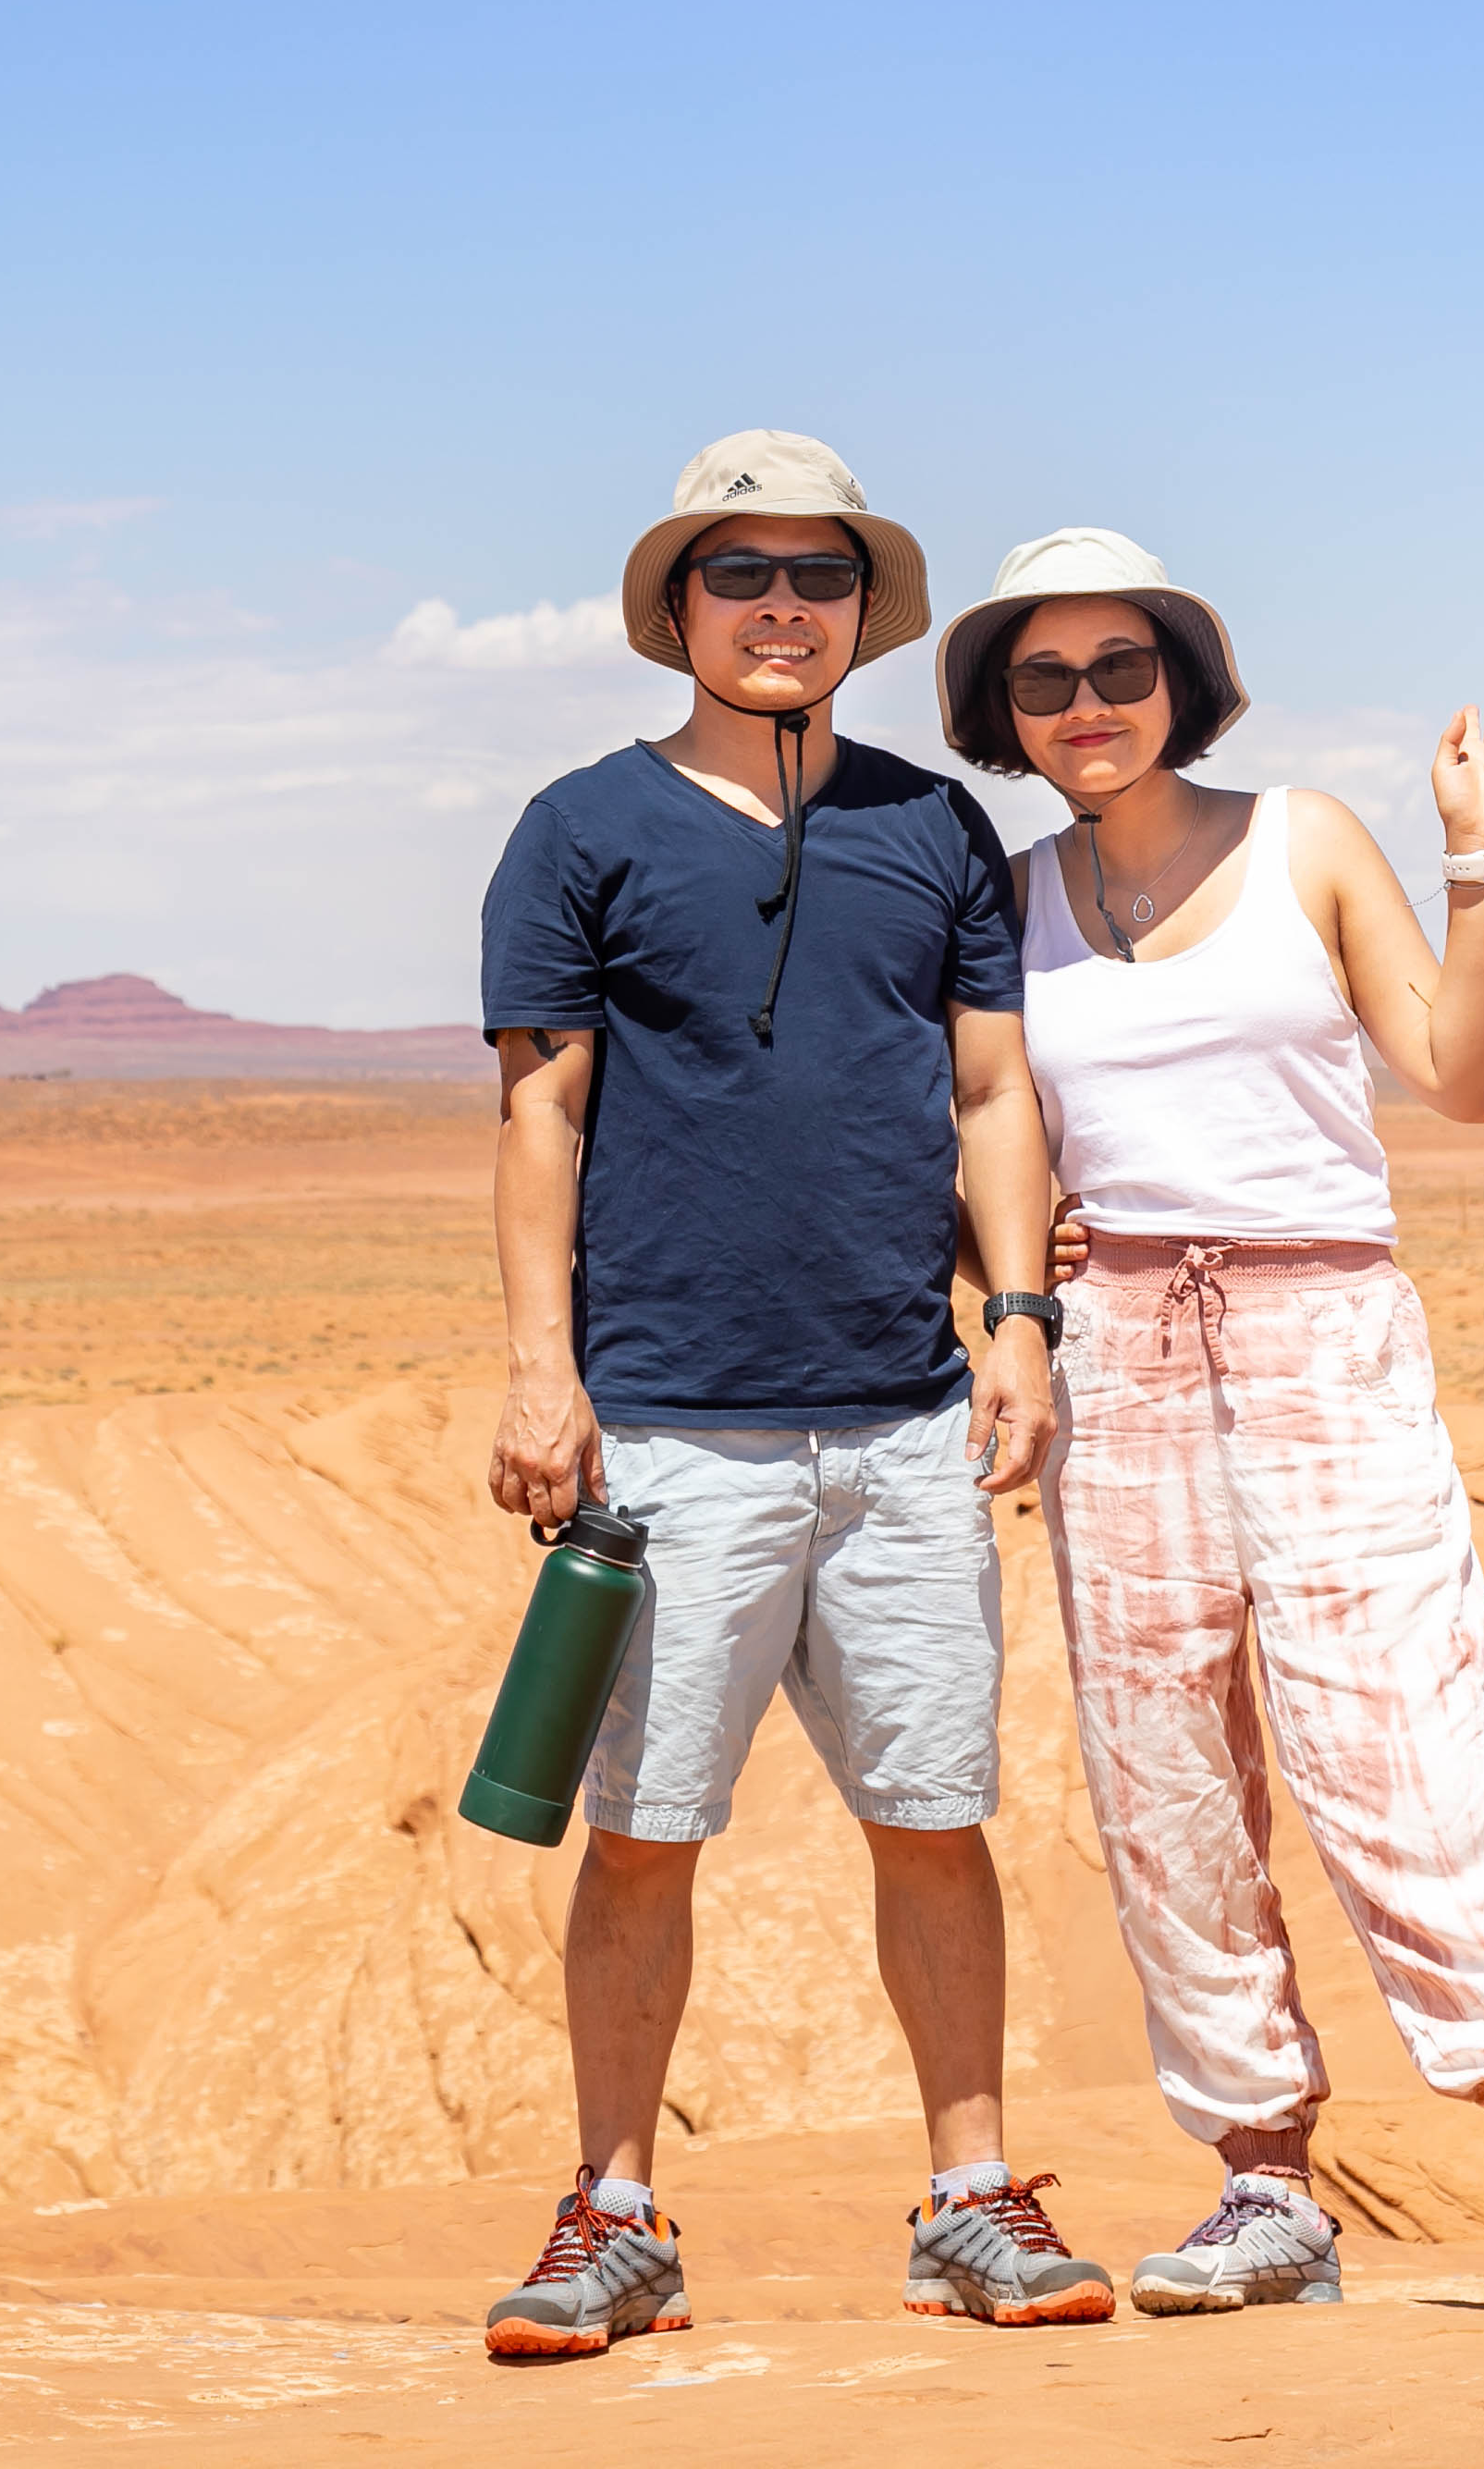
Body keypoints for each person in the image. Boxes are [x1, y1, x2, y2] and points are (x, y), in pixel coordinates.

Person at [932, 525, 1484, 2337]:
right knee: (1162, 1777)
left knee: (1398, 1741)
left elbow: (1457, 1079)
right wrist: (1003, 1279)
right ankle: (1263, 2189)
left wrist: (1477, 862)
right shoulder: (999, 901)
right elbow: (982, 1117)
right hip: (1120, 1356)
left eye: (1122, 668)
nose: (1089, 706)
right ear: (1000, 708)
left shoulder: (1304, 842)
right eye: (1044, 680)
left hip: (1323, 1333)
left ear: (1181, 678)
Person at [468, 433, 1117, 2363]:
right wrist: (538, 1372)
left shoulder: (936, 833)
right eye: (739, 574)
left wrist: (1016, 1325)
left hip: (908, 1420)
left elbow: (994, 1092)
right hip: (672, 1424)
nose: (780, 607)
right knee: (646, 1830)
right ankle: (613, 2214)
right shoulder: (579, 829)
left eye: (817, 578)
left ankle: (971, 2202)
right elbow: (540, 1113)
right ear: (679, 608)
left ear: (860, 611)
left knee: (933, 1817)